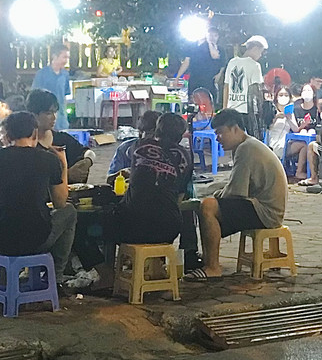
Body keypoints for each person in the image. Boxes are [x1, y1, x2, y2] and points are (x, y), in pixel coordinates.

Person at [0, 110, 75, 288]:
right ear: (34, 133)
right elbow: (60, 203)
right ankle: (55, 279)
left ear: (7, 135)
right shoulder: (49, 159)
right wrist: (63, 165)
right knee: (69, 212)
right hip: (39, 238)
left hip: (0, 240)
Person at [186, 109, 286, 279]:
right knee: (210, 201)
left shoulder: (246, 149)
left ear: (234, 128)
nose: (218, 138)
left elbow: (236, 192)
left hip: (266, 212)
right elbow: (234, 186)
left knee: (208, 207)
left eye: (220, 133)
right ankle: (209, 259)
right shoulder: (246, 145)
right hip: (262, 205)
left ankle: (212, 267)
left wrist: (211, 197)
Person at [97, 112, 193, 286]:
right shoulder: (186, 156)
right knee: (163, 215)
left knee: (104, 218)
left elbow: (137, 182)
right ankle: (156, 270)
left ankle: (107, 276)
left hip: (133, 226)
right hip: (169, 228)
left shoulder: (139, 146)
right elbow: (179, 196)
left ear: (157, 129)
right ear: (180, 136)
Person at [26, 88, 87, 168]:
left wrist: (88, 160)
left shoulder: (63, 139)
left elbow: (87, 152)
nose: (54, 117)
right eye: (48, 113)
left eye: (55, 112)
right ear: (34, 115)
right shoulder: (26, 144)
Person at [176, 26, 226, 108]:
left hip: (210, 81)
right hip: (195, 79)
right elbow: (186, 62)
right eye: (210, 35)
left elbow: (219, 60)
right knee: (193, 104)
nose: (212, 38)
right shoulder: (195, 47)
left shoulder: (220, 49)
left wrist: (219, 74)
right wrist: (178, 77)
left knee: (209, 105)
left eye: (215, 35)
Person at [108, 110, 161, 179]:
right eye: (150, 134)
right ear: (140, 132)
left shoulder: (171, 153)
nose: (153, 139)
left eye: (157, 136)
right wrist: (122, 174)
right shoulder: (124, 149)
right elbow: (109, 179)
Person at [223, 35, 266, 118]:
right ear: (255, 48)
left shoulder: (232, 62)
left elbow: (226, 86)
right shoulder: (255, 65)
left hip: (231, 110)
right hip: (247, 111)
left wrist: (225, 108)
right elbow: (257, 89)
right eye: (260, 52)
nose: (260, 55)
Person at [31, 44, 72, 131]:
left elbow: (65, 96)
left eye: (68, 58)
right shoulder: (41, 74)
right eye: (64, 57)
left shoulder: (65, 75)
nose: (66, 61)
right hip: (46, 117)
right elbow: (34, 96)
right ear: (54, 56)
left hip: (61, 118)